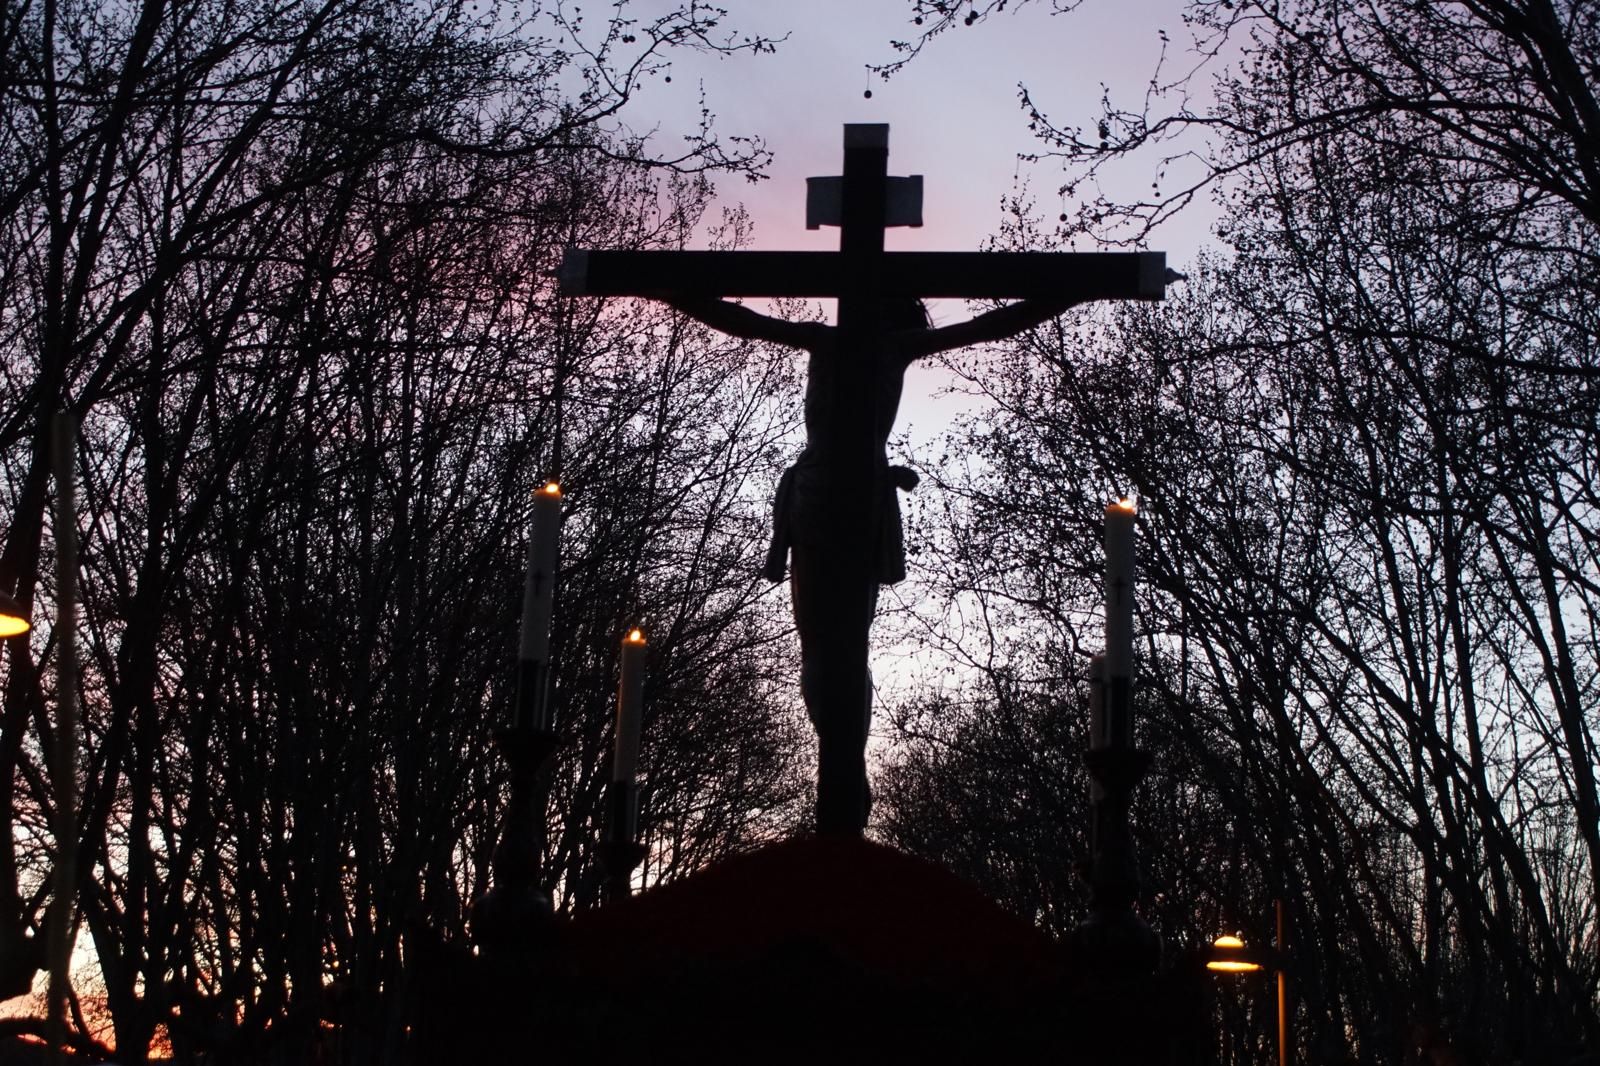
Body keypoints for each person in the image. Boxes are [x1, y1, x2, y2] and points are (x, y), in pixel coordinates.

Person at [666, 293, 1079, 833]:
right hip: (843, 497)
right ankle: (845, 767)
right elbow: (992, 324)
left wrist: (672, 290)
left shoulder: (849, 342)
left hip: (837, 496)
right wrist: (1069, 293)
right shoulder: (883, 346)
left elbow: (740, 319)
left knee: (830, 644)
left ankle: (845, 766)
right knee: (834, 644)